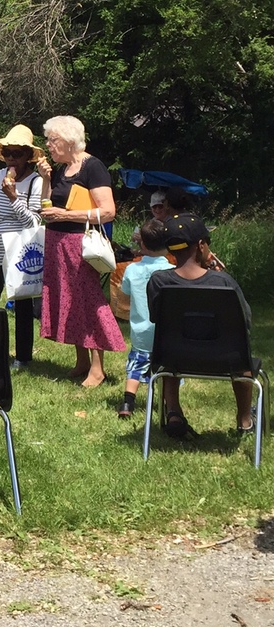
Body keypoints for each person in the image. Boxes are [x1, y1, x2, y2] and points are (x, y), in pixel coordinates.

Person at [147, 213, 255, 435]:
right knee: (244, 366)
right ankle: (244, 419)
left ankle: (174, 413)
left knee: (169, 358)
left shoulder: (159, 281)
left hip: (174, 357)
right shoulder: (223, 282)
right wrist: (218, 274)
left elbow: (158, 318)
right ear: (201, 245)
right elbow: (246, 321)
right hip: (227, 360)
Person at [37, 115, 126, 386]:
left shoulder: (93, 167)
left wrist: (66, 216)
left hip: (80, 245)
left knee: (87, 301)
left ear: (69, 140)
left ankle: (98, 368)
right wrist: (44, 179)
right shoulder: (61, 168)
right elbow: (47, 204)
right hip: (57, 242)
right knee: (69, 301)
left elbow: (108, 212)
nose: (49, 145)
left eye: (52, 140)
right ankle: (82, 361)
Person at [0, 125, 43, 370]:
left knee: (23, 305)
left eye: (17, 154)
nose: (12, 159)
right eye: (8, 153)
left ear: (28, 155)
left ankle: (23, 357)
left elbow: (34, 221)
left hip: (21, 246)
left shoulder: (35, 182)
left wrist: (14, 197)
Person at [117, 218, 172, 418]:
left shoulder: (132, 269)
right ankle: (169, 406)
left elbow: (124, 292)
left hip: (141, 332)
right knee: (167, 372)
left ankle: (127, 403)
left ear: (141, 243)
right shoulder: (172, 271)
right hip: (165, 334)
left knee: (135, 368)